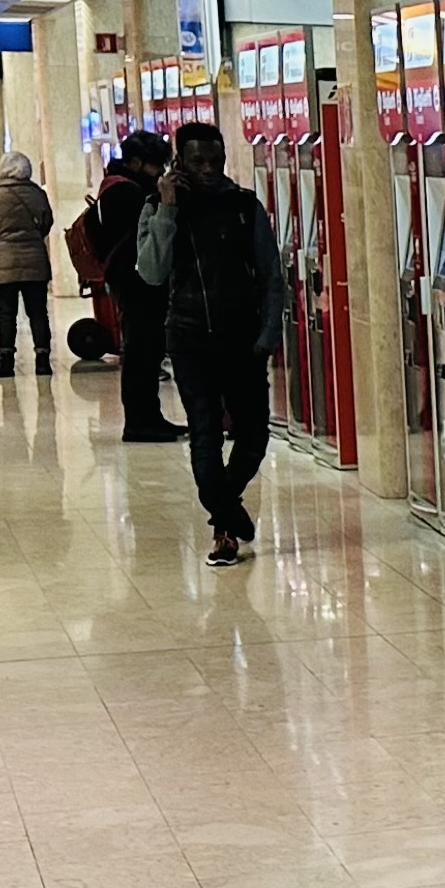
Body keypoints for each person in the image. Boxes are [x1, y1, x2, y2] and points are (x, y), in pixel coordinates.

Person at [136, 121, 284, 566]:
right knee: (204, 432)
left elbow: (271, 275)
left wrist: (267, 337)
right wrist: (166, 208)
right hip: (189, 338)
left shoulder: (243, 206)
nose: (208, 169)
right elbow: (151, 272)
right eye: (197, 161)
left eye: (215, 160)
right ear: (179, 161)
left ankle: (225, 508)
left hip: (242, 340)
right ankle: (226, 524)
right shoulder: (157, 207)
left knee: (254, 434)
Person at [93, 131, 180, 439]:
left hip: (128, 279)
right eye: (155, 165)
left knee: (145, 352)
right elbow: (145, 237)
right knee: (143, 352)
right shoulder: (126, 192)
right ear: (134, 162)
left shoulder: (114, 184)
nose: (161, 173)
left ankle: (148, 416)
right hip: (137, 282)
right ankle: (141, 421)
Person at [0, 150, 57, 378]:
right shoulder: (38, 194)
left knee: (6, 312)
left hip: (3, 261)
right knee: (38, 312)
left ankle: (6, 359)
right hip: (35, 260)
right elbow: (46, 222)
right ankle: (42, 359)